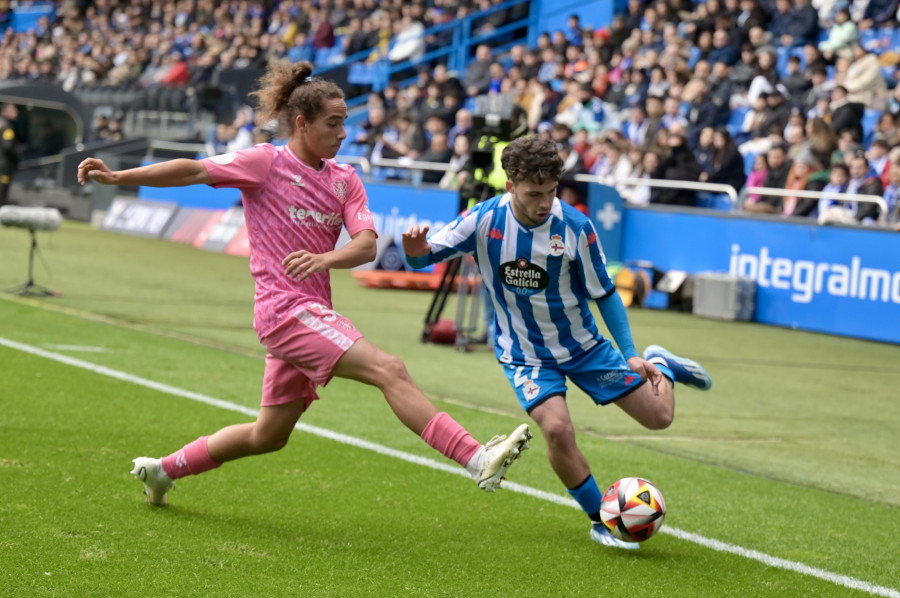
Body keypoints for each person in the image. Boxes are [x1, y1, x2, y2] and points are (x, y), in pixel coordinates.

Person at [76, 60, 532, 507]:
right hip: (283, 311)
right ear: (301, 123)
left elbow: (367, 246)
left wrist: (324, 258)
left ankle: (162, 469)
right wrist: (119, 176)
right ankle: (475, 457)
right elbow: (193, 170)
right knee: (388, 368)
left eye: (345, 123)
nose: (343, 133)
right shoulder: (263, 163)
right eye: (333, 124)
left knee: (267, 435)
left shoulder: (345, 180)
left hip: (312, 313)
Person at [401, 136, 712, 550]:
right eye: (534, 194)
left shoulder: (576, 227)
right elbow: (426, 256)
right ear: (510, 184)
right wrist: (415, 252)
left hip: (585, 347)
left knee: (659, 418)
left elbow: (604, 293)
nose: (545, 202)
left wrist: (633, 355)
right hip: (524, 355)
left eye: (551, 192)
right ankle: (601, 520)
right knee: (557, 429)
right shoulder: (483, 220)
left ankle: (663, 364)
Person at [0, 103, 20, 206]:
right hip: (4, 165)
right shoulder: (7, 126)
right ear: (5, 111)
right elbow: (8, 146)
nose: (16, 112)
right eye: (13, 110)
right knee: (2, 189)